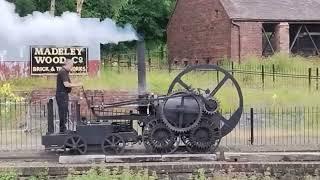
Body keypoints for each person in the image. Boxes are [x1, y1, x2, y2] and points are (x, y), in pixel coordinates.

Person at [56, 59, 82, 133]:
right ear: (68, 64)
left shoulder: (64, 72)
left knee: (64, 112)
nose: (72, 67)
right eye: (71, 66)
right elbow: (66, 84)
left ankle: (63, 128)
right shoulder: (63, 72)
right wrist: (78, 85)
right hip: (62, 95)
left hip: (63, 94)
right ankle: (63, 130)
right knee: (63, 112)